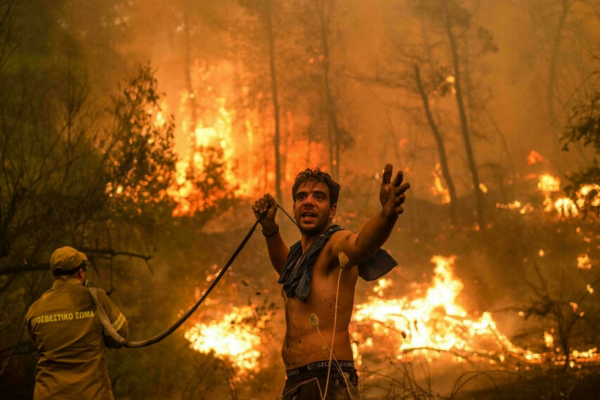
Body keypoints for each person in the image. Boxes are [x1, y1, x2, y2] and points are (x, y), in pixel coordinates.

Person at [252, 164, 409, 399]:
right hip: (297, 381)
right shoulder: (299, 257)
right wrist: (270, 228)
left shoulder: (335, 243)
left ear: (332, 209)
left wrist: (387, 215)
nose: (308, 202)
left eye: (319, 197)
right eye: (301, 197)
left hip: (328, 380)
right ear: (294, 208)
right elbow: (284, 267)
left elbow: (359, 246)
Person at [25, 246, 128, 400]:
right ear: (80, 272)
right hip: (92, 395)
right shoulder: (96, 298)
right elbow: (121, 334)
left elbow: (37, 343)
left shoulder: (35, 309)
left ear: (54, 274)